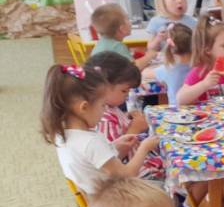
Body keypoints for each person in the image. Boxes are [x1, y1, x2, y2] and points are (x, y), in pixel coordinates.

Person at [41, 64, 159, 196]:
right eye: (103, 105)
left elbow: (96, 163)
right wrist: (144, 148)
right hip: (113, 201)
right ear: (84, 107)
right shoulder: (91, 143)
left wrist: (114, 147)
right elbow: (127, 175)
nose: (104, 112)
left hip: (96, 198)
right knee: (163, 188)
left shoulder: (62, 133)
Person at [85, 52, 165, 181]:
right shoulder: (103, 119)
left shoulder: (110, 107)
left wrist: (127, 117)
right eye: (124, 91)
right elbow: (115, 158)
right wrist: (135, 128)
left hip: (141, 163)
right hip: (137, 177)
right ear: (102, 88)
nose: (127, 95)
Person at [90, 3, 163, 70]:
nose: (130, 22)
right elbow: (133, 68)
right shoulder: (117, 46)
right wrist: (149, 57)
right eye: (128, 19)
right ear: (122, 29)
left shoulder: (101, 44)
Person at [143, 23, 193, 102]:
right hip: (200, 108)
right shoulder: (200, 66)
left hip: (176, 108)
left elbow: (145, 73)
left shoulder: (169, 69)